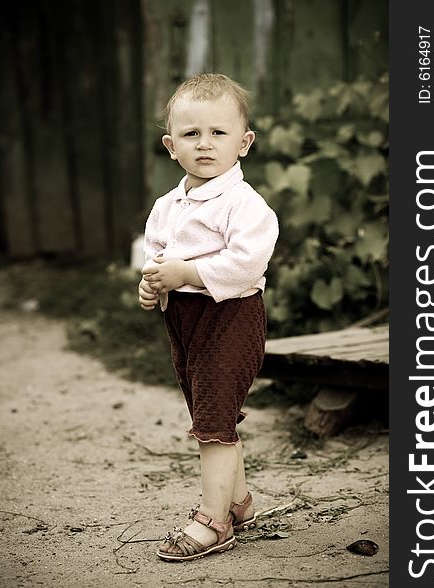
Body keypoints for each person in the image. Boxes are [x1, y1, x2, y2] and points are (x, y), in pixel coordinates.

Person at [138, 73, 279, 562]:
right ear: (170, 146)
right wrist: (153, 277)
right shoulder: (167, 205)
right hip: (186, 321)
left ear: (244, 143)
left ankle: (214, 520)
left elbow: (246, 264)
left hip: (231, 318)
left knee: (214, 423)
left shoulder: (245, 205)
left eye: (218, 133)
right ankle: (239, 502)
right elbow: (156, 251)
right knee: (208, 412)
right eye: (191, 134)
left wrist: (187, 271)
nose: (204, 145)